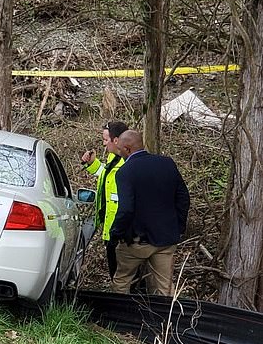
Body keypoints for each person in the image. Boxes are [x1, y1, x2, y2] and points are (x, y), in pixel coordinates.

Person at [109, 130, 190, 296]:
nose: (120, 153)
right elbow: (183, 198)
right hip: (166, 239)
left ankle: (120, 318)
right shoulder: (167, 163)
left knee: (122, 280)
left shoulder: (125, 172)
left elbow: (126, 210)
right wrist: (178, 226)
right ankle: (165, 320)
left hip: (136, 242)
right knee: (164, 287)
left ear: (127, 149)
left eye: (121, 150)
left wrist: (116, 233)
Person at [81, 120, 128, 279]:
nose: (103, 144)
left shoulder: (128, 164)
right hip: (110, 228)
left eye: (105, 140)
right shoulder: (112, 158)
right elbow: (106, 176)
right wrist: (92, 164)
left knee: (121, 275)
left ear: (116, 141)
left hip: (121, 231)